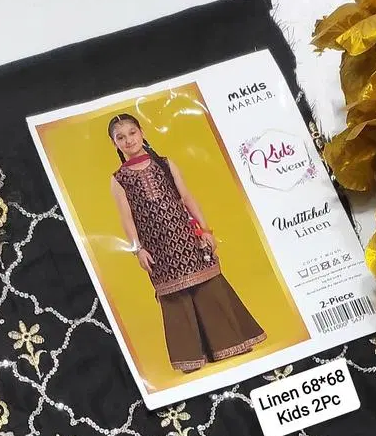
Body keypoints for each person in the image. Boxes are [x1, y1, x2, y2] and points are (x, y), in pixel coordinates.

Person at [108, 112, 266, 373]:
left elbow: (187, 197)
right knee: (174, 298)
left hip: (187, 238)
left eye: (132, 133)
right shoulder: (118, 179)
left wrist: (205, 230)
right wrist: (138, 250)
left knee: (209, 288)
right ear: (115, 144)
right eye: (120, 137)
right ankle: (191, 358)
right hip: (157, 249)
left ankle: (231, 343)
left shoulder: (165, 164)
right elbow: (127, 218)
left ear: (142, 132)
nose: (128, 140)